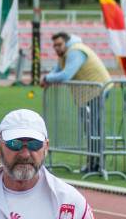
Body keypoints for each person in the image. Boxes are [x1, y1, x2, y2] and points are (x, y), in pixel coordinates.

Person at [40, 31, 112, 174]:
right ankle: (94, 163)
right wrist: (48, 78)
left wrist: (47, 78)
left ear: (66, 42)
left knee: (92, 128)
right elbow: (57, 71)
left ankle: (94, 163)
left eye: (59, 45)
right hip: (88, 94)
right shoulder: (64, 54)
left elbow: (67, 74)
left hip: (97, 91)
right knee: (91, 128)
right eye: (54, 46)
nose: (57, 48)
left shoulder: (75, 52)